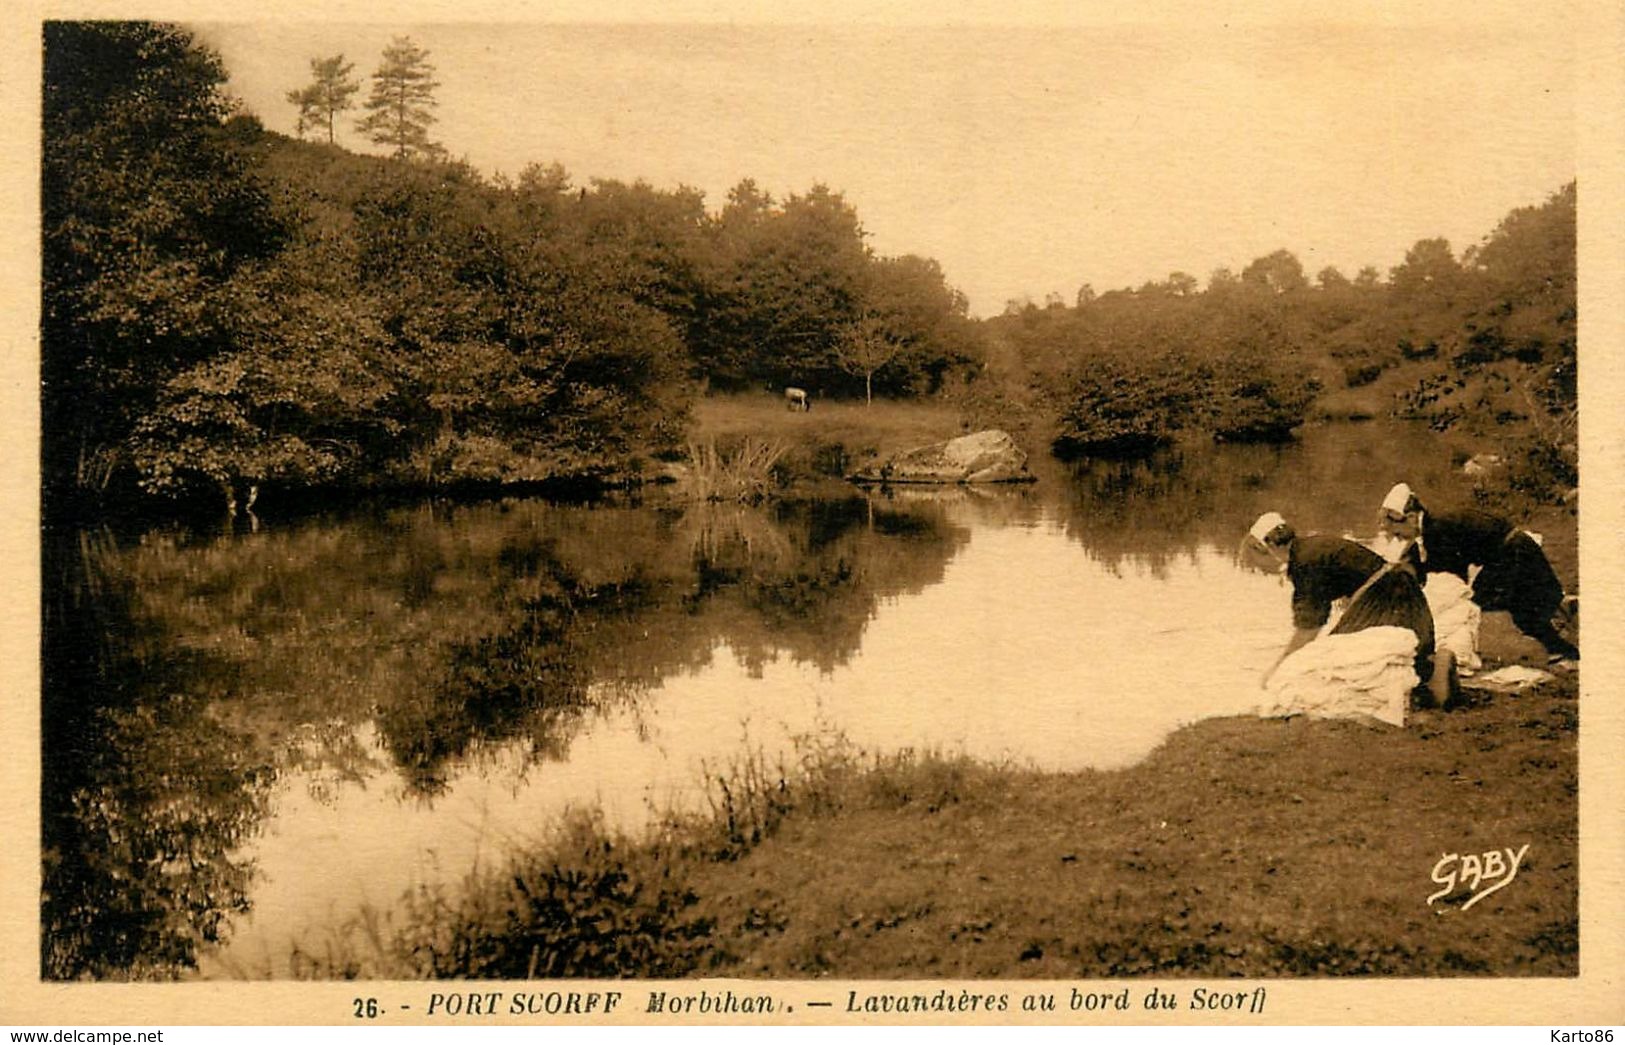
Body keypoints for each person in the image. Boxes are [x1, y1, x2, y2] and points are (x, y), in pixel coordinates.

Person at [1241, 511, 1457, 712]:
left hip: (1388, 600)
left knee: (1346, 663)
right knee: (1361, 655)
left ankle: (1434, 677)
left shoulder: (1305, 564)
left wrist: (1278, 668)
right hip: (1397, 593)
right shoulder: (1309, 549)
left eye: (1257, 563)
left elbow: (1309, 628)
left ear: (1268, 546)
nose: (1260, 570)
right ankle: (1431, 667)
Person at [1377, 483, 1578, 662]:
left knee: (1480, 602)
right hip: (1513, 549)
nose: (1399, 538)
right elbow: (1438, 559)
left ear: (1411, 518)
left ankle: (1562, 635)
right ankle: (1561, 623)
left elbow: (1450, 575)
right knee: (1522, 608)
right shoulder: (1433, 524)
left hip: (1511, 553)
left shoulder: (1436, 530)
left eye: (1397, 532)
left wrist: (1420, 578)